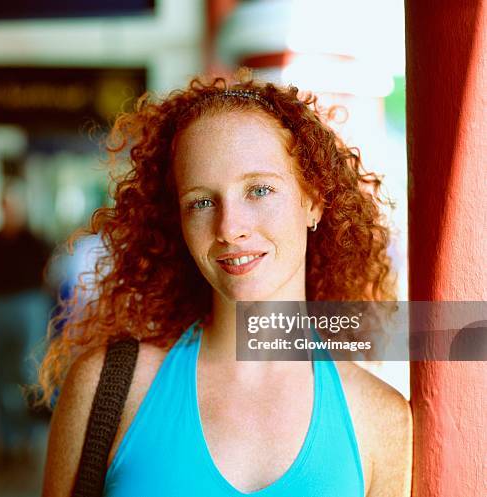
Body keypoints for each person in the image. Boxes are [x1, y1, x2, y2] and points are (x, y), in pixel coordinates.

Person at [39, 75, 412, 496]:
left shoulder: (379, 420)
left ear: (313, 201)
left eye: (259, 190)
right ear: (177, 222)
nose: (229, 228)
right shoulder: (109, 388)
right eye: (200, 202)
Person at [0, 178, 52, 464]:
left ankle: (29, 435)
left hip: (27, 306)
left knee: (26, 371)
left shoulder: (35, 240)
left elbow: (46, 277)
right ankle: (6, 439)